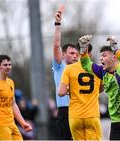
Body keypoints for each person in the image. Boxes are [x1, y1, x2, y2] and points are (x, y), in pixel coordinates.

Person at [79, 35, 120, 140]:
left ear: (114, 57)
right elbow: (86, 64)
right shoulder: (102, 72)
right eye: (101, 56)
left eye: (104, 55)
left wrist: (115, 47)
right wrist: (83, 48)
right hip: (116, 121)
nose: (101, 58)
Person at [58, 44, 102, 140]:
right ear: (89, 54)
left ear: (78, 53)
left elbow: (61, 93)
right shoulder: (97, 69)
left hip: (75, 116)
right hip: (92, 115)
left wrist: (71, 89)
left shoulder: (69, 69)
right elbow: (101, 88)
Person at [52, 10, 79, 140]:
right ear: (63, 55)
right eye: (71, 53)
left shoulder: (80, 69)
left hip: (80, 109)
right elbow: (56, 45)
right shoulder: (60, 66)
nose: (75, 55)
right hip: (65, 109)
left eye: (76, 53)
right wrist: (57, 23)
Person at [0, 55, 32, 140]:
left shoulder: (11, 82)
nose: (8, 67)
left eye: (9, 64)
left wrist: (23, 123)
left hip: (12, 124)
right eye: (5, 65)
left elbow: (13, 105)